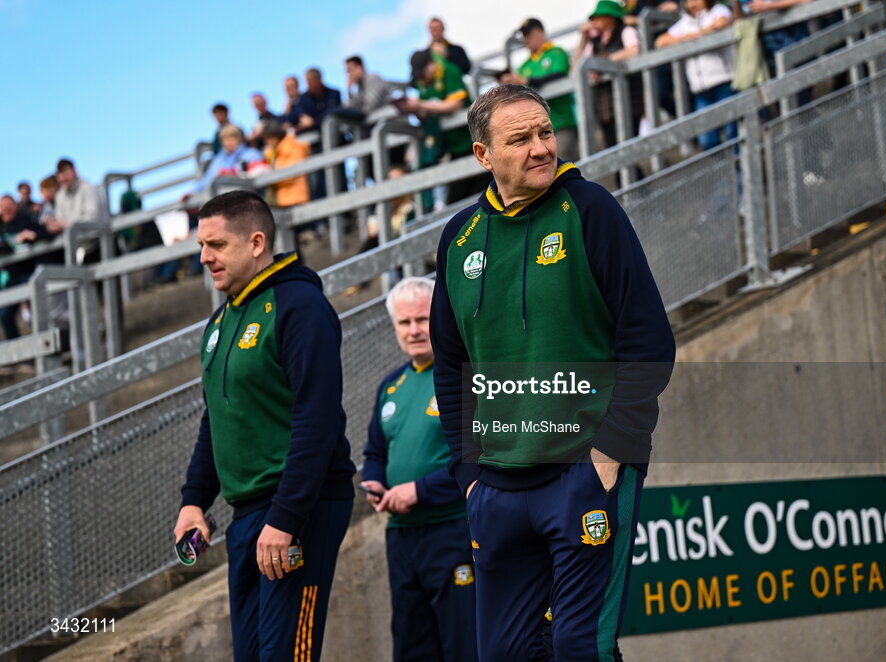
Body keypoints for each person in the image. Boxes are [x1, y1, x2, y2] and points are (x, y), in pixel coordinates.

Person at [430, 84, 675, 662]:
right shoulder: (458, 238)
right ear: (483, 156)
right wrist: (468, 470)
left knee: (579, 646)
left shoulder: (590, 209)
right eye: (520, 139)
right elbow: (450, 364)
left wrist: (611, 453)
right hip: (496, 483)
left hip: (586, 471)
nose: (541, 148)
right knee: (504, 653)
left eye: (545, 132)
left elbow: (649, 342)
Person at [174, 189, 356, 662]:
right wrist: (193, 500)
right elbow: (216, 417)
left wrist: (287, 517)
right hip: (248, 514)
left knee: (286, 656)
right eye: (201, 245)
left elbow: (317, 420)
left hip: (299, 509)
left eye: (216, 245)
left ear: (256, 243)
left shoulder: (300, 306)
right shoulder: (219, 321)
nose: (204, 257)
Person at [362, 277, 477, 662]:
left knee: (464, 642)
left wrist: (420, 490)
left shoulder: (465, 374)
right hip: (403, 537)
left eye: (423, 320)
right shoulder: (390, 386)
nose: (414, 331)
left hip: (454, 529)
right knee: (412, 645)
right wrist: (375, 481)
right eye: (404, 322)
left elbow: (482, 454)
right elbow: (375, 450)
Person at [398, 50, 487, 207]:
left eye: (422, 73)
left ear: (431, 64)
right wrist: (415, 110)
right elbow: (425, 113)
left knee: (481, 195)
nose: (421, 78)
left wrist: (420, 104)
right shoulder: (421, 81)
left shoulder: (449, 70)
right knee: (459, 202)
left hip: (473, 140)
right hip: (451, 147)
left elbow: (456, 103)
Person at [656, 0, 737, 150]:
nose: (692, 3)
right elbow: (661, 41)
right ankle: (726, 166)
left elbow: (722, 22)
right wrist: (685, 38)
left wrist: (701, 34)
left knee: (732, 130)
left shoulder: (718, 10)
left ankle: (740, 168)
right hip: (700, 89)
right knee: (706, 139)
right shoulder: (685, 22)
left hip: (724, 82)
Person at [500, 18, 579, 162]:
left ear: (540, 32)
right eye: (524, 36)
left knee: (562, 168)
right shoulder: (525, 66)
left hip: (561, 124)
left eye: (529, 34)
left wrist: (527, 81)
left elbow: (559, 75)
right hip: (534, 131)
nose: (526, 40)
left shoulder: (557, 53)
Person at [573, 0, 644, 148]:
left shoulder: (626, 31)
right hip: (605, 108)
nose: (595, 22)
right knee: (613, 148)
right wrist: (583, 39)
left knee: (627, 148)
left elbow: (634, 51)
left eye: (599, 17)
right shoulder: (595, 42)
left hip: (629, 101)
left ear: (610, 17)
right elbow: (577, 67)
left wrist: (603, 64)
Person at [0, 194, 52, 339]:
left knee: (36, 310)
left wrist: (32, 235)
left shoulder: (25, 219)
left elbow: (45, 233)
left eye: (9, 206)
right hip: (10, 276)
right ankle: (17, 349)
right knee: (5, 314)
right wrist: (12, 242)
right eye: (4, 208)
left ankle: (42, 341)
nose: (7, 210)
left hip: (29, 272)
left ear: (15, 206)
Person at [188, 125, 264, 198]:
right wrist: (193, 192)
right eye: (225, 139)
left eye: (232, 138)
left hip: (248, 196)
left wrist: (231, 173)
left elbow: (257, 173)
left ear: (240, 139)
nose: (228, 142)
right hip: (223, 199)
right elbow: (208, 179)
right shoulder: (218, 160)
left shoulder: (252, 154)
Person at [49, 158, 104, 236]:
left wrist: (68, 224)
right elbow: (59, 220)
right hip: (73, 242)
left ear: (74, 171)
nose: (64, 177)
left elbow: (93, 217)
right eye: (60, 174)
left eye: (66, 173)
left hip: (95, 240)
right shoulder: (59, 196)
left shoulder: (88, 188)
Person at [262, 121, 311, 208]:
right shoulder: (272, 153)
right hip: (281, 200)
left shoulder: (294, 148)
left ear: (275, 137)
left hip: (296, 199)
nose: (267, 143)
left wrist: (268, 176)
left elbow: (292, 174)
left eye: (268, 139)